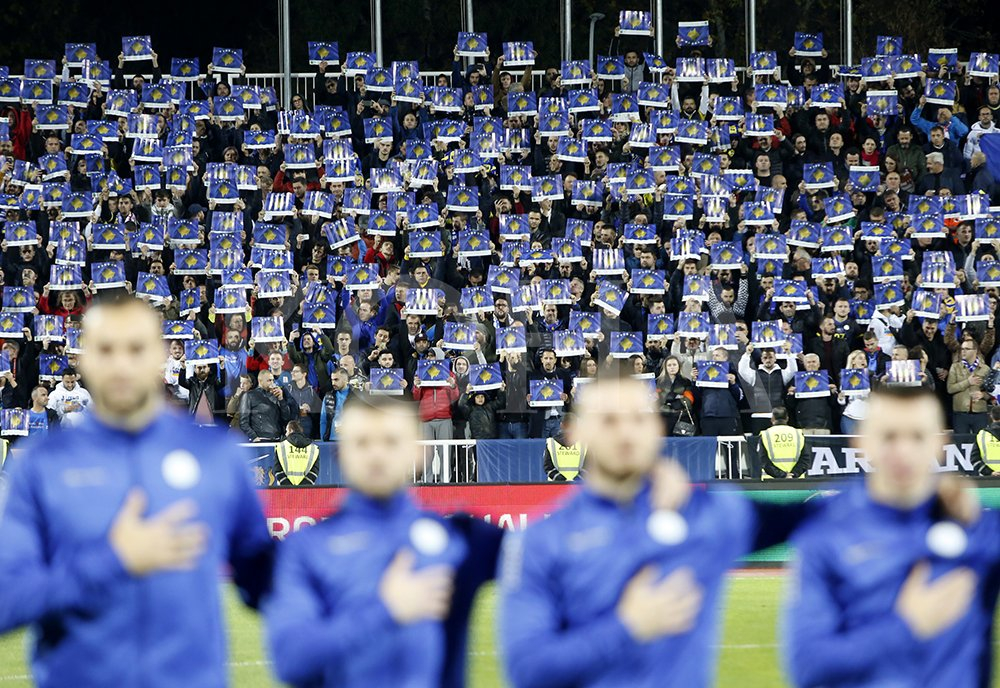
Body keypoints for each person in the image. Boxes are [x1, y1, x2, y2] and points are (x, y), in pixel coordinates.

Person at [0, 297, 273, 687]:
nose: (122, 363)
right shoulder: (42, 465)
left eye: (136, 348)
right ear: (84, 358)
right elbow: (7, 600)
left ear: (159, 357)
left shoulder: (215, 455)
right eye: (106, 349)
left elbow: (265, 577)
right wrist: (114, 559)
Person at [499, 373, 812, 688]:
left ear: (656, 429)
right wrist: (627, 627)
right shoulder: (541, 540)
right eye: (608, 420)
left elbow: (820, 517)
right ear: (579, 433)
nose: (625, 433)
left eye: (638, 418)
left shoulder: (707, 515)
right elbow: (527, 669)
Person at [263, 394, 503, 688]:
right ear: (340, 454)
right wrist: (386, 611)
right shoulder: (306, 548)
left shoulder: (461, 538)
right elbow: (291, 659)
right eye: (362, 442)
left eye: (391, 441)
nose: (376, 454)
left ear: (419, 453)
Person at [783, 385, 999, 687]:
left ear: (940, 444)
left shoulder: (980, 531)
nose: (903, 451)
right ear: (862, 443)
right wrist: (907, 627)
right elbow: (807, 666)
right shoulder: (826, 533)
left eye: (917, 436)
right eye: (889, 436)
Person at [947, 338, 991, 435]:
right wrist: (968, 382)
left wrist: (983, 395)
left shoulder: (985, 369)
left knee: (980, 442)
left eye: (967, 349)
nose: (963, 351)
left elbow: (990, 392)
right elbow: (950, 389)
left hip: (980, 413)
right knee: (960, 443)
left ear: (975, 350)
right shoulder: (955, 367)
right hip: (960, 413)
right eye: (962, 349)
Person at [239, 370, 294, 442]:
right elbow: (243, 422)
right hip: (260, 440)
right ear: (260, 381)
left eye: (273, 380)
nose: (272, 383)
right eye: (269, 380)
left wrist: (281, 399)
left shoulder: (275, 396)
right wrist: (254, 437)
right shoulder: (249, 395)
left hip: (278, 439)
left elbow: (286, 418)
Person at [756, 407, 808, 479]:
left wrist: (782, 475)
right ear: (787, 418)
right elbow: (805, 459)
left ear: (772, 419)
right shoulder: (798, 433)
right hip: (797, 482)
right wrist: (793, 474)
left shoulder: (766, 435)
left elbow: (763, 461)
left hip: (772, 481)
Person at [272, 420, 320, 486]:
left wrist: (287, 486)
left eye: (286, 431)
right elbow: (314, 471)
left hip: (285, 490)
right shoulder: (314, 448)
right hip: (306, 491)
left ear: (291, 430)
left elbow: (278, 470)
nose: (285, 434)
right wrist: (304, 486)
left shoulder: (280, 447)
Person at [542, 413, 586, 482]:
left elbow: (548, 467)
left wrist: (561, 481)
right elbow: (589, 467)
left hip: (555, 486)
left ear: (561, 425)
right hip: (578, 487)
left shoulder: (551, 443)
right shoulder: (584, 443)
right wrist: (576, 480)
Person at [319, 368, 352, 441]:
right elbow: (323, 420)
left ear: (345, 380)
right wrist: (323, 439)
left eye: (336, 380)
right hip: (331, 439)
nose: (333, 383)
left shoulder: (356, 397)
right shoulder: (328, 397)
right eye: (332, 380)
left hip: (350, 440)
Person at [969, 405, 1000, 476]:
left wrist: (989, 472)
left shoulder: (982, 434)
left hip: (988, 481)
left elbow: (974, 459)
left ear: (991, 416)